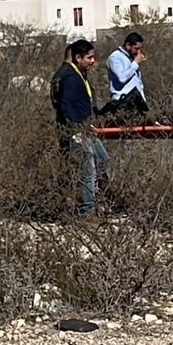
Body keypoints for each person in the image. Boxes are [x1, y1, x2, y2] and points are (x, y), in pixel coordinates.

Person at [51, 39, 109, 218]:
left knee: (102, 160)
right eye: (89, 58)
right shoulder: (68, 77)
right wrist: (75, 129)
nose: (93, 61)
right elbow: (66, 106)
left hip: (86, 128)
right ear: (78, 57)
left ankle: (98, 201)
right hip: (78, 130)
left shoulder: (77, 75)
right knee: (88, 171)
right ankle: (87, 211)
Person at [103, 31, 149, 116]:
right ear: (128, 45)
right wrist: (135, 63)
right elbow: (121, 78)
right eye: (136, 48)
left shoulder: (131, 59)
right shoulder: (115, 58)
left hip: (136, 102)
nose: (138, 52)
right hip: (122, 102)